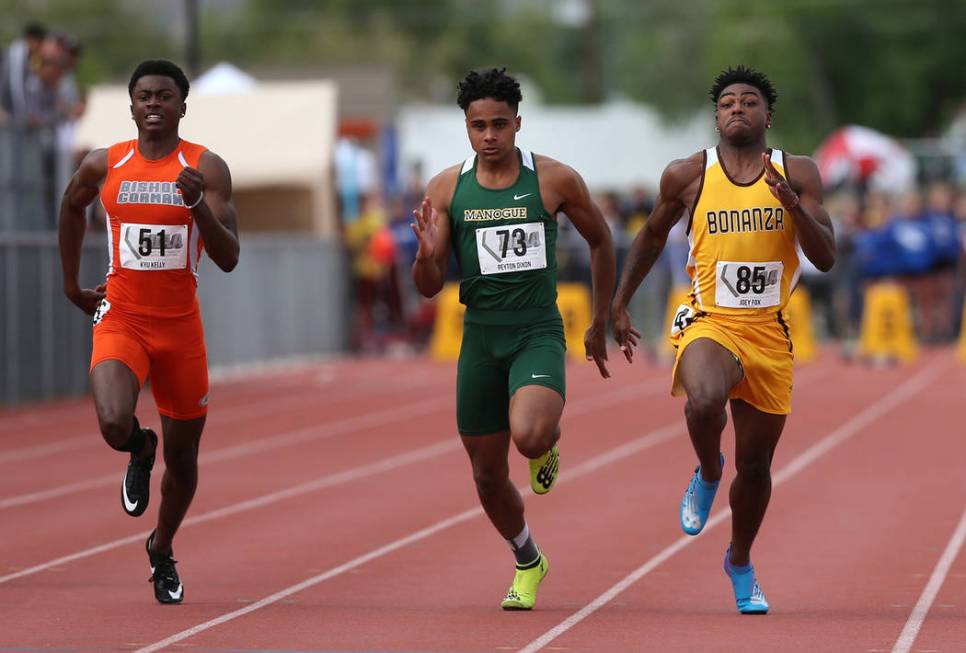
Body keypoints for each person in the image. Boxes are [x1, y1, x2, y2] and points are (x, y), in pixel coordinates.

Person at [611, 65, 835, 614]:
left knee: (755, 468)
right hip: (710, 318)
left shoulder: (797, 171)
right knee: (705, 399)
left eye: (749, 102)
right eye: (728, 102)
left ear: (767, 115)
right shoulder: (688, 174)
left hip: (770, 333)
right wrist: (618, 301)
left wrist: (790, 207)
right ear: (716, 116)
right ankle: (708, 469)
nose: (738, 108)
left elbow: (826, 256)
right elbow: (650, 235)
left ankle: (739, 559)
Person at [411, 68, 615, 610]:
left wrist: (602, 318)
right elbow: (428, 288)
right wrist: (428, 254)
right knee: (484, 473)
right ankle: (528, 559)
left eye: (500, 124)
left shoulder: (554, 179)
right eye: (479, 126)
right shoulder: (445, 188)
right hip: (479, 338)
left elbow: (601, 240)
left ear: (518, 123)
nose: (490, 136)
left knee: (527, 435)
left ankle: (544, 443)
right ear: (467, 128)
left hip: (536, 331)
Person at [58, 59, 239, 604]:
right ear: (132, 106)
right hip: (123, 316)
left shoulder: (206, 168)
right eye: (144, 96)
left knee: (184, 463)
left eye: (164, 96)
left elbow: (229, 256)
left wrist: (195, 208)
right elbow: (70, 207)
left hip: (181, 330)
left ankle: (161, 548)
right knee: (114, 420)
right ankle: (139, 449)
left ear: (182, 106)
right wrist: (70, 284)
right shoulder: (103, 163)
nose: (154, 104)